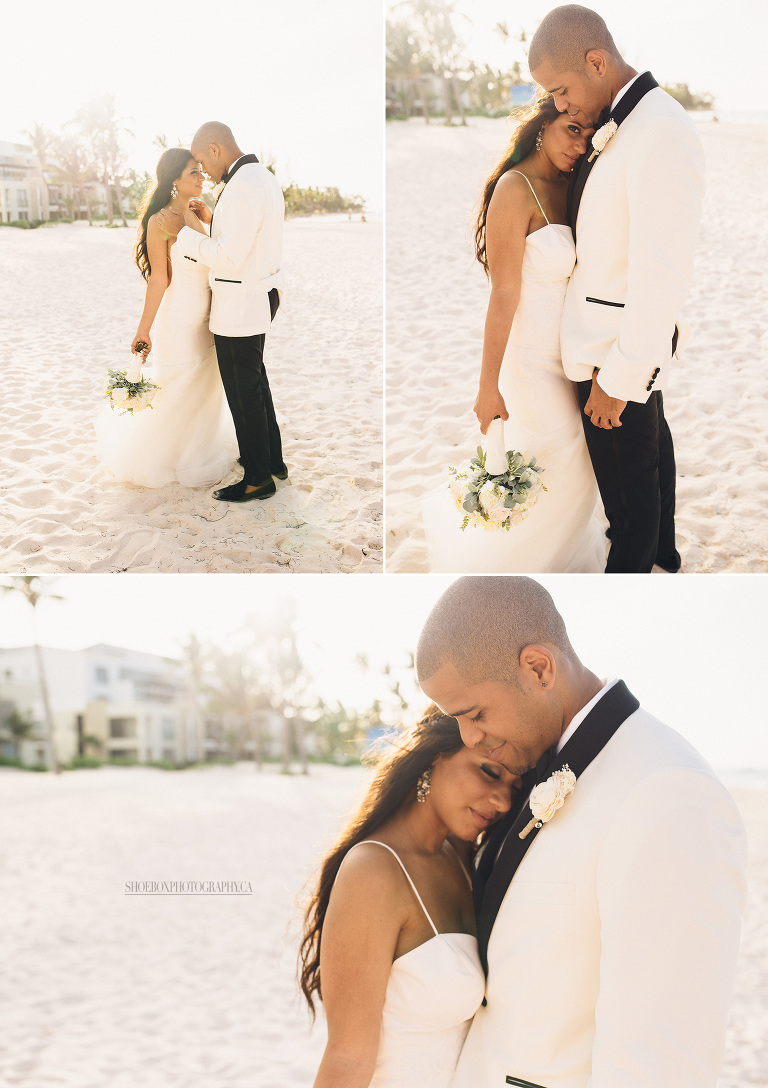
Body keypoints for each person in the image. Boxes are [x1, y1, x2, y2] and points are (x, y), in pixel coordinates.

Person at [415, 576, 747, 1088]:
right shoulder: (536, 764)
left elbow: (659, 1062)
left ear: (539, 668)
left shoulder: (669, 794)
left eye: (475, 714)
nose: (469, 738)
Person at [528, 5, 705, 572]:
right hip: (601, 347)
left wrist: (621, 381)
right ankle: (664, 557)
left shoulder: (661, 131)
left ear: (597, 61)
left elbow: (664, 276)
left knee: (627, 519)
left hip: (614, 361)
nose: (559, 106)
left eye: (560, 89)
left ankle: (638, 568)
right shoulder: (626, 123)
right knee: (650, 474)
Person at [422, 96, 606, 573]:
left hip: (574, 360)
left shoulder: (571, 184)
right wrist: (487, 386)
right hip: (530, 366)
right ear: (543, 125)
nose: (579, 144)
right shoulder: (514, 188)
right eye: (572, 129)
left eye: (588, 135)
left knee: (577, 471)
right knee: (561, 466)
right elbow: (503, 295)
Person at [299, 706, 517, 1088]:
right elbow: (347, 1059)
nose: (502, 802)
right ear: (436, 755)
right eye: (489, 772)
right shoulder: (373, 871)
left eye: (514, 788)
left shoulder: (461, 858)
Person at [157, 122, 287, 504]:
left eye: (201, 161)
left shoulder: (242, 186)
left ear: (214, 149)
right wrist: (213, 221)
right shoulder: (262, 178)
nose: (204, 172)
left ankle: (258, 479)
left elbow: (230, 258)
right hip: (259, 296)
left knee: (243, 392)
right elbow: (250, 238)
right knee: (257, 384)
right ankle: (272, 461)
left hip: (238, 304)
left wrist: (185, 232)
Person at [94, 148, 237, 488]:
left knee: (205, 390)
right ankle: (169, 459)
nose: (202, 177)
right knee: (177, 389)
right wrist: (143, 330)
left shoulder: (198, 212)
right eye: (193, 173)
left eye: (202, 171)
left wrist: (208, 216)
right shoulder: (158, 220)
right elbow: (159, 278)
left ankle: (197, 453)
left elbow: (221, 254)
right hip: (179, 320)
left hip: (209, 318)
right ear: (175, 180)